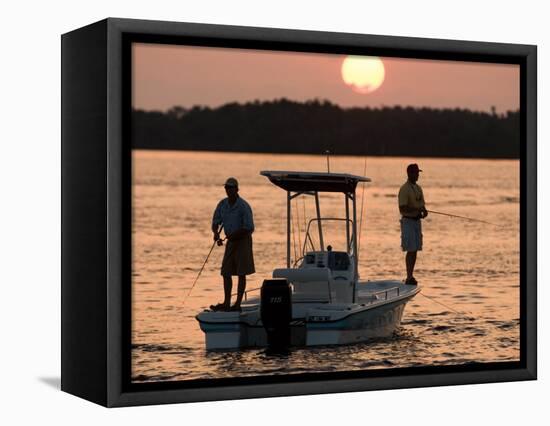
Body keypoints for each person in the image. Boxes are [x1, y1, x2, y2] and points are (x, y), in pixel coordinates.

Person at [210, 177, 255, 311]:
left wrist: (234, 235)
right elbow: (215, 222)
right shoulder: (222, 204)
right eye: (226, 188)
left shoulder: (243, 206)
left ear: (236, 189)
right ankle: (226, 302)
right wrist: (216, 233)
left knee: (242, 273)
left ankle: (237, 304)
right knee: (226, 272)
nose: (228, 190)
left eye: (230, 187)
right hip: (230, 241)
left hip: (243, 241)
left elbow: (249, 227)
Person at [398, 164, 428, 285]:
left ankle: (411, 275)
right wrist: (414, 213)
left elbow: (421, 204)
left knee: (415, 249)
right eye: (415, 173)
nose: (417, 175)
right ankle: (409, 276)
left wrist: (423, 211)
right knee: (410, 249)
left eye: (418, 173)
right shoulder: (404, 189)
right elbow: (402, 208)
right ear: (409, 173)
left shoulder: (418, 188)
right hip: (408, 222)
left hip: (416, 222)